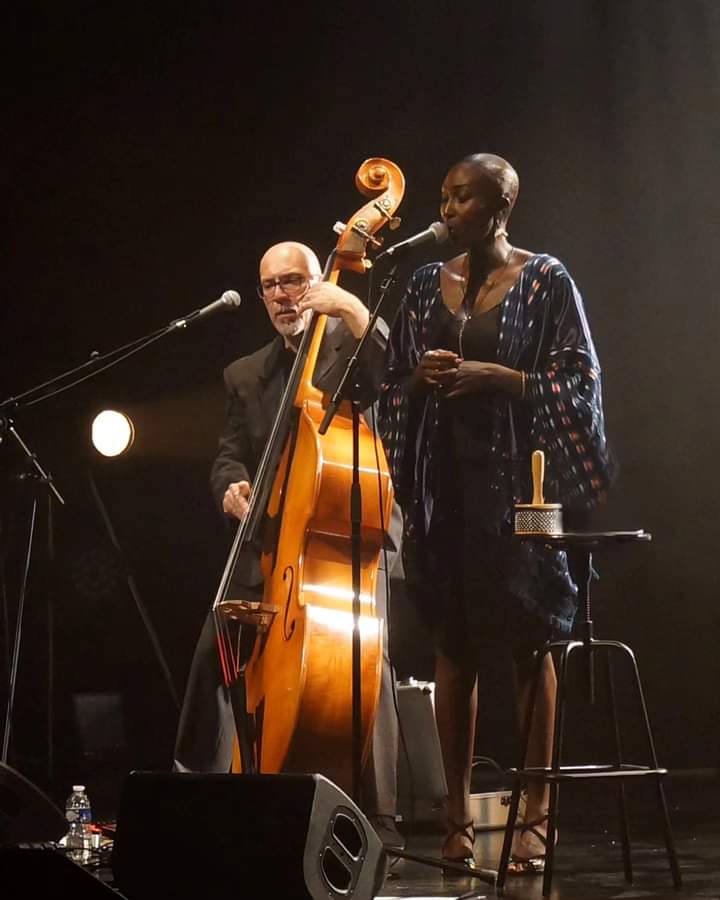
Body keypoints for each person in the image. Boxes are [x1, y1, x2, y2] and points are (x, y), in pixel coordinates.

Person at [378, 153, 615, 873]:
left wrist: (505, 379)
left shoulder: (545, 279)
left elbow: (580, 383)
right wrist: (417, 381)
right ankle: (455, 821)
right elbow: (389, 389)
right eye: (445, 198)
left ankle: (535, 819)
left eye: (462, 200)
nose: (446, 212)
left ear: (500, 207)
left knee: (531, 644)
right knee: (453, 647)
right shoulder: (422, 285)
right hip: (443, 489)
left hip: (525, 492)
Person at [173, 240, 404, 851]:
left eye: (295, 281)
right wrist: (230, 488)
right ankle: (199, 796)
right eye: (271, 286)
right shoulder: (246, 373)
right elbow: (228, 455)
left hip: (346, 528)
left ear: (316, 281)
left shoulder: (344, 346)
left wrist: (352, 306)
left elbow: (392, 364)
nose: (283, 295)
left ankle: (377, 818)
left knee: (361, 660)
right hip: (272, 540)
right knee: (215, 650)